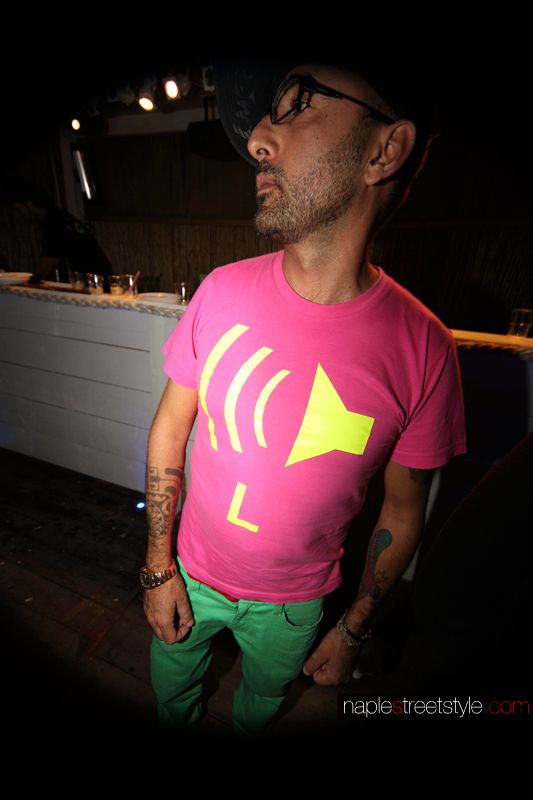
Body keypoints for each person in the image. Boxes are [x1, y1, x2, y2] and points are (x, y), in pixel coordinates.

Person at [141, 54, 467, 738]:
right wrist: (157, 567)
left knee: (259, 710)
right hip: (188, 575)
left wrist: (352, 628)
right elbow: (171, 429)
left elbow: (403, 512)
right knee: (171, 698)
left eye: (300, 104)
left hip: (295, 608)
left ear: (384, 151)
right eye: (267, 114)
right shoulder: (220, 290)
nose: (259, 138)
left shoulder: (426, 349)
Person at [6, 180, 112, 284]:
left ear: (29, 204)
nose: (18, 215)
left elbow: (43, 269)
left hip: (95, 283)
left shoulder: (54, 223)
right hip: (97, 279)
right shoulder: (59, 216)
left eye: (18, 209)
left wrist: (23, 285)